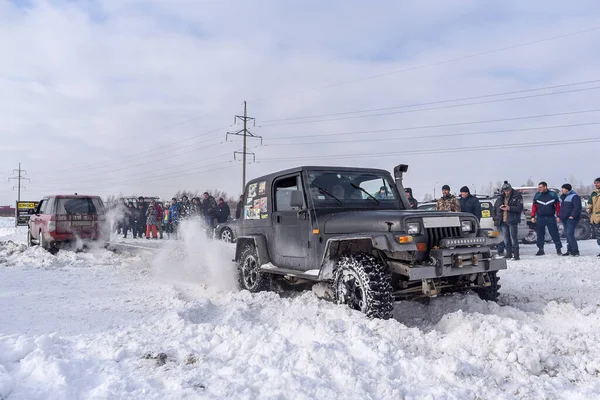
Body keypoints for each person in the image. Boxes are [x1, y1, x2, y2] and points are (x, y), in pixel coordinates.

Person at [531, 181, 562, 256]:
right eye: (538, 187)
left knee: (554, 233)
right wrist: (533, 216)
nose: (539, 189)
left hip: (550, 217)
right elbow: (534, 206)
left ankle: (558, 249)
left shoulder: (552, 194)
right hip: (540, 217)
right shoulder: (537, 195)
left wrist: (558, 216)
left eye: (541, 187)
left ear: (545, 187)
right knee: (540, 234)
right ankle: (540, 249)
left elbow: (557, 206)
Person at [495, 181, 524, 260]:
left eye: (507, 191)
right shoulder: (501, 197)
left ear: (510, 189)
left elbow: (519, 208)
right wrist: (500, 208)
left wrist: (509, 208)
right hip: (503, 220)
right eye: (505, 191)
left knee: (513, 238)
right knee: (506, 238)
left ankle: (516, 255)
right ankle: (508, 254)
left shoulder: (517, 196)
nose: (506, 192)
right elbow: (496, 208)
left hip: (512, 220)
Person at [558, 183, 581, 256]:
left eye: (563, 188)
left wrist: (572, 216)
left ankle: (575, 250)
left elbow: (577, 207)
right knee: (567, 235)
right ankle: (569, 250)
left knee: (569, 233)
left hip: (571, 219)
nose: (562, 190)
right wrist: (559, 216)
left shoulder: (574, 196)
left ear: (567, 189)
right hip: (564, 218)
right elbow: (561, 208)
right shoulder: (562, 197)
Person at [587, 178, 600, 257]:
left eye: (597, 183)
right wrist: (589, 208)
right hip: (595, 218)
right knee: (598, 235)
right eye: (595, 183)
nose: (596, 184)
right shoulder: (594, 193)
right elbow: (590, 202)